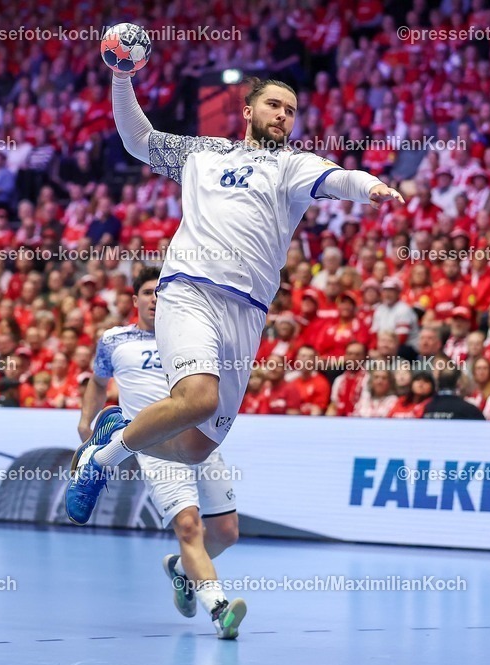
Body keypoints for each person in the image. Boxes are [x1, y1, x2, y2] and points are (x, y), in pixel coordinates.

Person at [67, 77, 401, 525]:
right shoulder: (201, 154)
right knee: (199, 399)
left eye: (290, 109)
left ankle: (117, 430)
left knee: (195, 447)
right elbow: (138, 138)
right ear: (248, 111)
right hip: (190, 290)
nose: (282, 115)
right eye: (273, 105)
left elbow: (342, 178)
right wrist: (122, 76)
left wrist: (372, 188)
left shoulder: (293, 166)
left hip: (247, 311)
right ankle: (100, 463)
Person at [77, 268, 242, 638]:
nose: (155, 299)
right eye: (149, 293)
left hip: (200, 438)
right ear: (134, 300)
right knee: (188, 525)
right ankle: (219, 610)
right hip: (155, 445)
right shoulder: (113, 340)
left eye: (162, 293)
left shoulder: (190, 338)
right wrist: (87, 422)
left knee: (227, 532)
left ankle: (183, 572)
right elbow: (98, 382)